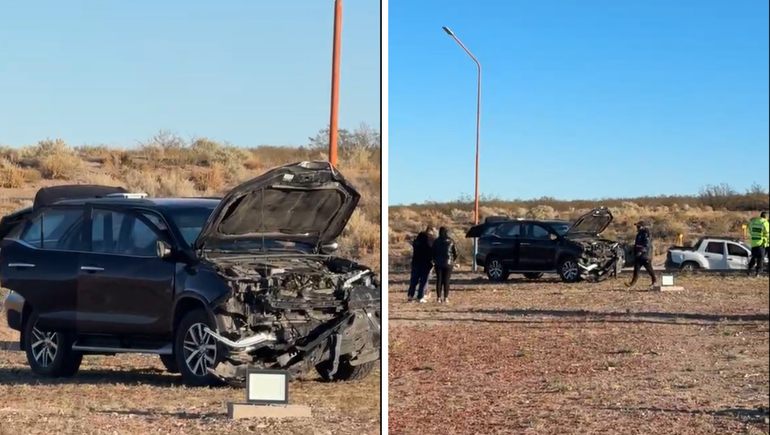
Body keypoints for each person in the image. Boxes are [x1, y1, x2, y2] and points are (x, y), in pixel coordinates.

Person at [406, 226, 435, 302]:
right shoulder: (432, 240)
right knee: (424, 280)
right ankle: (420, 296)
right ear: (431, 231)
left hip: (416, 262)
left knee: (413, 280)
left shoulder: (417, 241)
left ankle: (410, 295)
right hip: (426, 263)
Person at [626, 220, 657, 288]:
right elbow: (638, 244)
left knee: (649, 269)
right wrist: (633, 250)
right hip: (639, 255)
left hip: (645, 255)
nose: (637, 227)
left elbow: (646, 244)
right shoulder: (640, 233)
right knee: (636, 269)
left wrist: (641, 251)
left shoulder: (646, 233)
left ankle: (654, 280)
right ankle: (632, 283)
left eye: (638, 226)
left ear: (643, 227)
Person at [431, 226, 458, 303]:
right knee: (446, 280)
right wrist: (453, 260)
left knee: (439, 280)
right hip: (448, 263)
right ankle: (446, 297)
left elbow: (433, 252)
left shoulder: (436, 241)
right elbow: (456, 253)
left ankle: (438, 297)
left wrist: (434, 259)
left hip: (438, 263)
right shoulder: (451, 241)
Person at [747, 211, 769, 277]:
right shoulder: (765, 222)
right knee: (760, 258)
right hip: (761, 243)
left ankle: (749, 269)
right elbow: (768, 233)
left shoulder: (753, 222)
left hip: (753, 243)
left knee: (754, 257)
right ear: (766, 217)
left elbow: (750, 230)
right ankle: (758, 273)